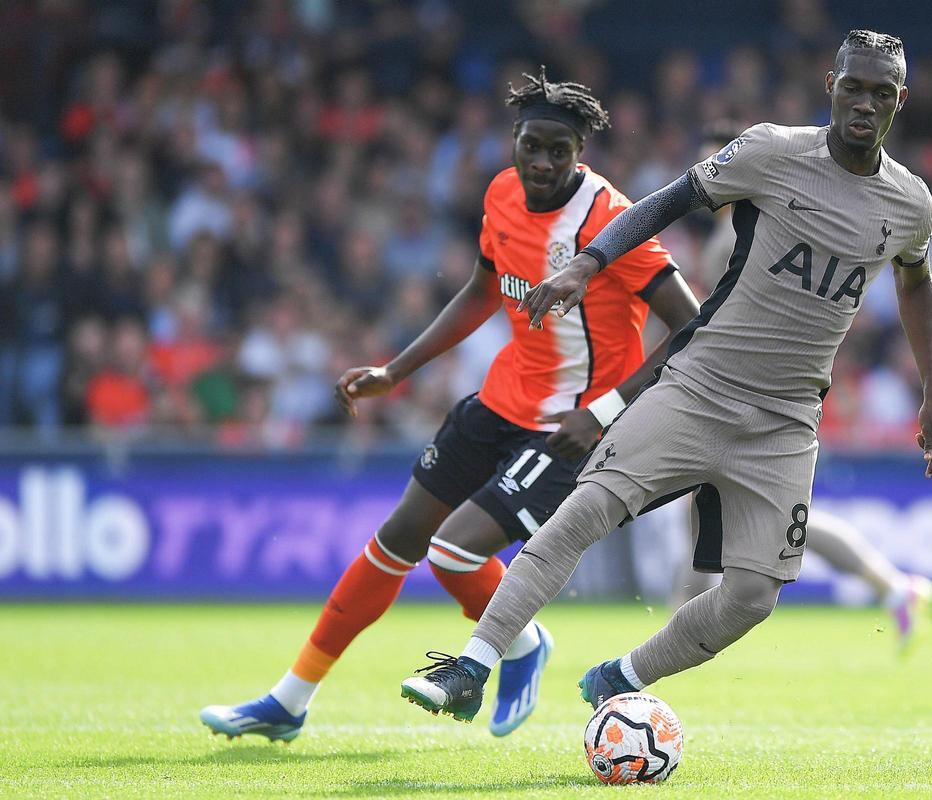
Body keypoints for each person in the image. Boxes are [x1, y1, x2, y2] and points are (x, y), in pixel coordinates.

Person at [400, 30, 932, 722]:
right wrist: (587, 262)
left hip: (786, 420)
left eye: (881, 93)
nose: (865, 103)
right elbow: (666, 201)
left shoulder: (911, 204)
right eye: (853, 87)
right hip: (700, 387)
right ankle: (471, 666)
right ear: (830, 86)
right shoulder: (772, 152)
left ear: (900, 101)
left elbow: (918, 285)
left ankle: (621, 676)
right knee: (582, 513)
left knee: (753, 595)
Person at [200, 69, 700, 741]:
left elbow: (692, 324)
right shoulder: (499, 193)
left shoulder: (612, 220)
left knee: (452, 553)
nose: (544, 162)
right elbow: (480, 290)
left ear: (583, 152)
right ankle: (290, 700)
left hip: (567, 429)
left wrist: (607, 411)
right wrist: (396, 369)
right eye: (532, 145)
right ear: (514, 140)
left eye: (561, 150)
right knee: (397, 539)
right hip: (498, 402)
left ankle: (518, 645)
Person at [669, 124, 932, 651]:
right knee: (754, 516)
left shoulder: (738, 229)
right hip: (778, 384)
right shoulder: (749, 220)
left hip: (754, 388)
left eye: (718, 163)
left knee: (747, 514)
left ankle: (678, 620)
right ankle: (893, 586)